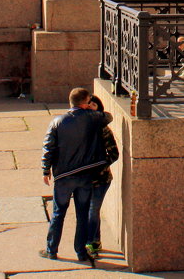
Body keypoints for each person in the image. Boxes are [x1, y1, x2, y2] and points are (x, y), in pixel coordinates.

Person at [40, 87, 113, 261]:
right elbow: (108, 117)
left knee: (58, 213)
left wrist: (45, 169)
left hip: (63, 176)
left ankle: (51, 250)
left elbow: (48, 147)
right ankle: (80, 252)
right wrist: (92, 110)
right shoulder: (92, 118)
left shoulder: (57, 121)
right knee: (82, 214)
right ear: (85, 102)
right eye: (88, 101)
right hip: (85, 175)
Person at [84, 95, 118, 259]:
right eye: (88, 104)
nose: (90, 106)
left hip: (101, 178)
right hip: (84, 178)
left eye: (94, 104)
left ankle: (91, 243)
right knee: (90, 210)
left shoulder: (103, 129)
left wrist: (99, 166)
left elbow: (114, 153)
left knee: (92, 210)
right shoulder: (79, 127)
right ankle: (95, 240)